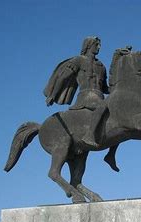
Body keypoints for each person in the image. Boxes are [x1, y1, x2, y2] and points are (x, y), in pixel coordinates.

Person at [44, 37, 121, 171]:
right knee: (108, 108)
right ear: (88, 45)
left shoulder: (101, 66)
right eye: (96, 45)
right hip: (86, 97)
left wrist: (120, 86)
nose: (99, 47)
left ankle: (111, 154)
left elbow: (104, 88)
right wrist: (53, 94)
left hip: (99, 96)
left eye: (99, 45)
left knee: (120, 117)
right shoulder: (78, 60)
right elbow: (64, 77)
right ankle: (89, 135)